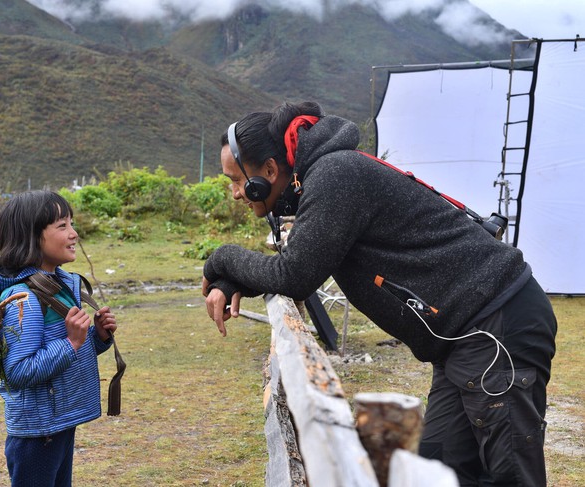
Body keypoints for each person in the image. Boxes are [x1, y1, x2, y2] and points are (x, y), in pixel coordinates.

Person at [201, 101, 557, 486]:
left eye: (236, 180)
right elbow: (304, 262)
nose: (237, 193)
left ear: (268, 171)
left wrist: (220, 259)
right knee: (447, 473)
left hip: (495, 328)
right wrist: (230, 281)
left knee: (511, 477)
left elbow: (294, 275)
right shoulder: (326, 177)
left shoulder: (335, 175)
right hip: (465, 339)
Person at [0, 190, 117, 486]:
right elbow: (19, 371)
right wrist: (71, 343)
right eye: (62, 226)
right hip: (37, 432)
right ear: (31, 236)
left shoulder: (60, 285)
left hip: (59, 423)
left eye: (72, 224)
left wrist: (96, 337)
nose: (74, 233)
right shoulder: (23, 299)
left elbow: (65, 349)